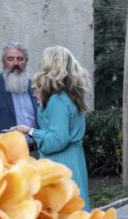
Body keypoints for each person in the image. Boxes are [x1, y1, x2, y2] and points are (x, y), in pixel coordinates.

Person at [14, 46, 91, 209]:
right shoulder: (71, 95)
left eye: (45, 62)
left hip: (61, 162)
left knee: (63, 212)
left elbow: (58, 139)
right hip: (74, 158)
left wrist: (30, 131)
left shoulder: (58, 100)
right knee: (74, 210)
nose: (42, 65)